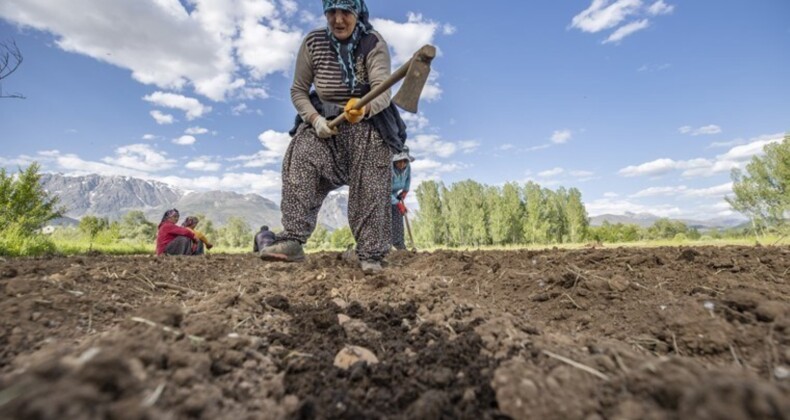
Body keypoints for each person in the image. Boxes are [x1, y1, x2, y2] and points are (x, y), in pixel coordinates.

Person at [259, 0, 407, 274]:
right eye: (332, 12)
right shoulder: (313, 42)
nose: (338, 19)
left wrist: (363, 109)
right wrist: (315, 120)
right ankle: (292, 240)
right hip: (325, 125)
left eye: (346, 12)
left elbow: (382, 91)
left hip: (366, 124)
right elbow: (298, 90)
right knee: (300, 152)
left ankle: (371, 253)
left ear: (357, 13)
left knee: (372, 173)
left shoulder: (373, 42)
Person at [390, 145, 414, 250]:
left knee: (398, 216)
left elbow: (408, 179)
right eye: (399, 161)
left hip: (394, 194)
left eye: (405, 161)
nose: (402, 164)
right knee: (384, 218)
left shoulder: (407, 167)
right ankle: (384, 246)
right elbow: (384, 190)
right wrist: (397, 203)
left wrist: (405, 190)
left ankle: (399, 245)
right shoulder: (388, 169)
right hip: (381, 195)